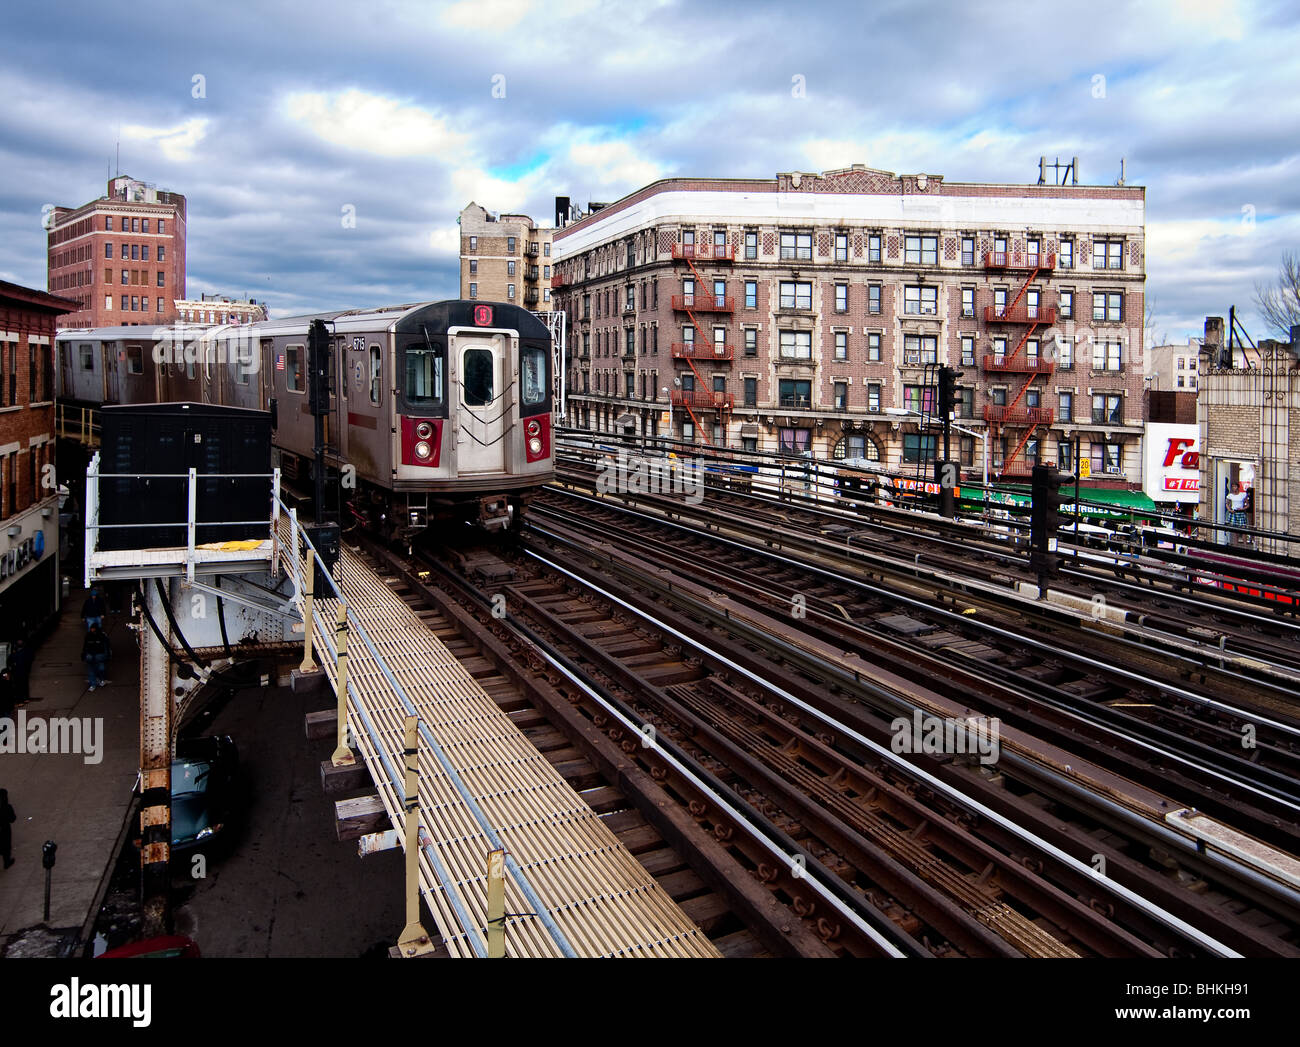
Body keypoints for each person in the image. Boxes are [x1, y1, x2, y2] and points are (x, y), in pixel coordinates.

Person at [81, 623, 111, 691]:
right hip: (92, 655)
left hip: (98, 654)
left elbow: (106, 646)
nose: (92, 630)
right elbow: (85, 646)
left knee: (100, 668)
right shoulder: (88, 636)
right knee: (92, 669)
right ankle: (93, 683)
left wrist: (107, 655)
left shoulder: (102, 636)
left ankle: (99, 680)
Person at [10, 638, 32, 706]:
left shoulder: (15, 654)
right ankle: (25, 698)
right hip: (24, 671)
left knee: (18, 686)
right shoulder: (26, 652)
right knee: (24, 684)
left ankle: (21, 701)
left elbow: (10, 662)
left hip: (18, 672)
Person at [0, 789, 13, 869]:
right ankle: (6, 863)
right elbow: (13, 819)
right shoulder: (7, 807)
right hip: (5, 829)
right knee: (6, 847)